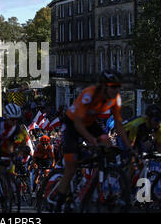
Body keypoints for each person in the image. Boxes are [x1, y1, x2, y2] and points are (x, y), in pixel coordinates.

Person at [54, 69, 133, 210]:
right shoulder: (89, 94)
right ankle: (58, 204)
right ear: (103, 86)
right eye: (113, 86)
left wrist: (128, 147)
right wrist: (92, 140)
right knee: (71, 166)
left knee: (107, 143)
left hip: (90, 123)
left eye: (118, 86)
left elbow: (119, 125)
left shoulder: (116, 99)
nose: (117, 89)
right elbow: (78, 123)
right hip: (73, 123)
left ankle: (93, 184)